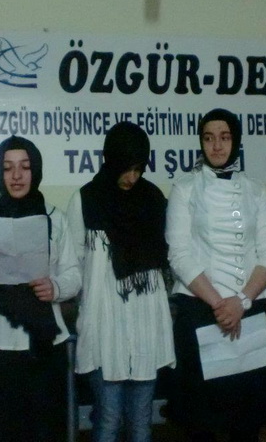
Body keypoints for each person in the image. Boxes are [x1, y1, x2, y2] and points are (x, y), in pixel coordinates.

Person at [165, 108, 266, 442]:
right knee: (202, 423)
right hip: (202, 310)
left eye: (225, 137)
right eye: (209, 138)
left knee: (247, 423)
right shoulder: (185, 188)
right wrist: (221, 304)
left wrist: (241, 301)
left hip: (249, 308)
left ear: (236, 141)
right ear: (201, 143)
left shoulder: (255, 190)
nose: (217, 146)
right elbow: (179, 255)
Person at [0, 135, 80, 442]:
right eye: (8, 168)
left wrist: (56, 287)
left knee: (45, 431)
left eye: (25, 167)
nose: (16, 175)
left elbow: (75, 276)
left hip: (45, 344)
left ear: (35, 170)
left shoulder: (56, 219)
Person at [67, 121, 175, 442]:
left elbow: (168, 259)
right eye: (126, 168)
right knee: (109, 419)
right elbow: (74, 265)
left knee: (141, 422)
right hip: (104, 328)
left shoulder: (153, 199)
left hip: (145, 325)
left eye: (139, 169)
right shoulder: (86, 200)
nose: (132, 177)